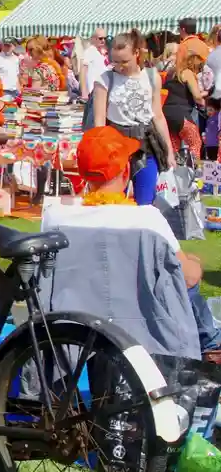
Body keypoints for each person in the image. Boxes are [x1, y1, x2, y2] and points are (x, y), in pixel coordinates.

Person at [42, 126, 220, 355]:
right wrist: (196, 264)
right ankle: (211, 346)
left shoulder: (54, 216)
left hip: (72, 337)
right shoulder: (148, 219)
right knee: (188, 272)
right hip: (145, 335)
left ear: (81, 172)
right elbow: (188, 278)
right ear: (126, 171)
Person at [92, 30, 173, 206]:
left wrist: (169, 151)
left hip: (146, 146)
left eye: (124, 61)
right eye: (115, 61)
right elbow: (99, 121)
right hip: (115, 147)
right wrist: (100, 151)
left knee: (145, 204)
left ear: (137, 53)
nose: (119, 66)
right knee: (111, 204)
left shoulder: (152, 77)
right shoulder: (105, 79)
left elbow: (158, 116)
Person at [162, 38, 209, 162]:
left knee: (174, 148)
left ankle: (173, 175)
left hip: (166, 115)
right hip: (180, 115)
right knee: (195, 142)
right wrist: (207, 104)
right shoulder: (186, 73)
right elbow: (197, 97)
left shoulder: (170, 73)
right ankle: (193, 172)